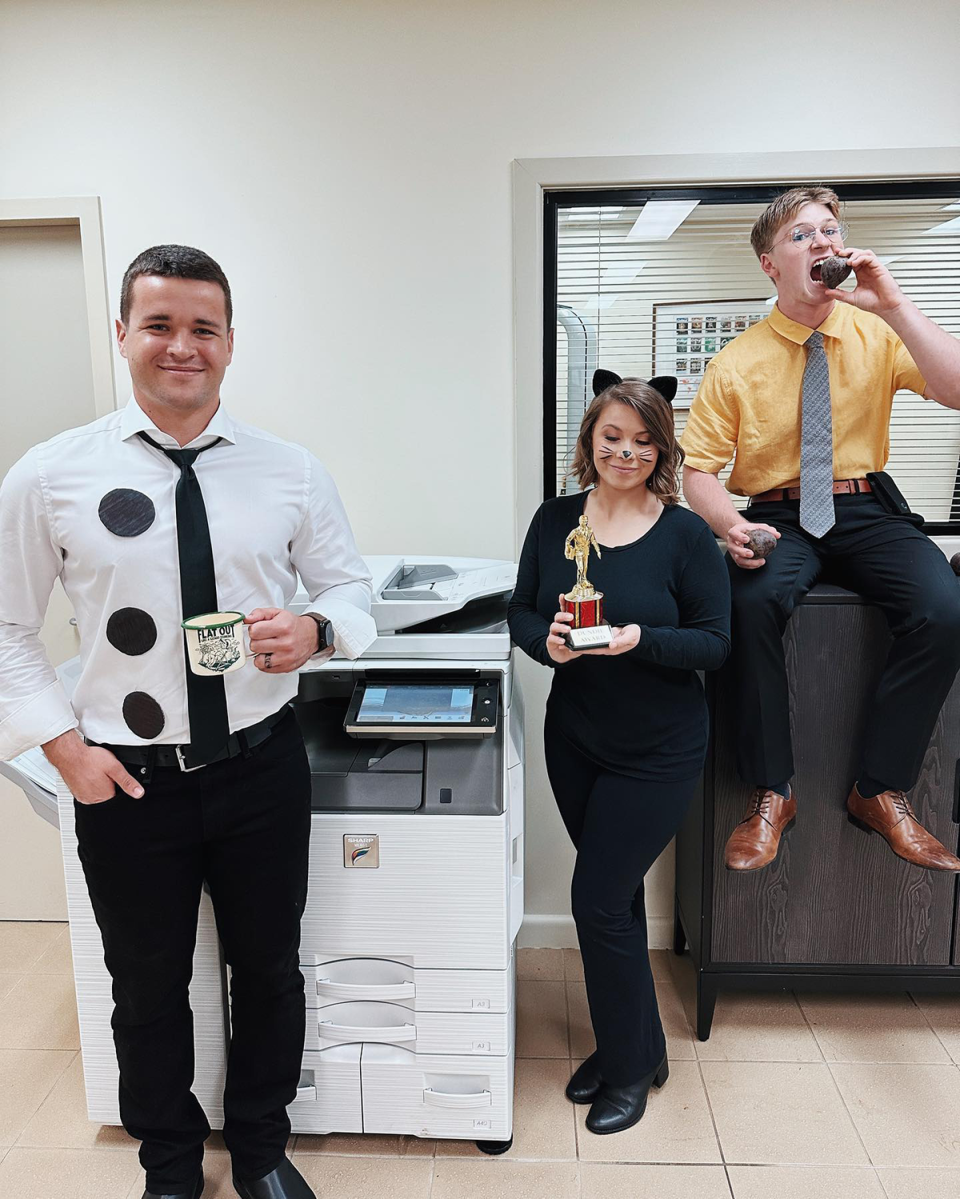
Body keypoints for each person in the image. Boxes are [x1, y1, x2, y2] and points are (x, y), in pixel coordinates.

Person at [0, 245, 376, 1199]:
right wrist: (62, 747)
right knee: (148, 988)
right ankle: (169, 1163)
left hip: (260, 765)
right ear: (123, 334)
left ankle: (258, 1150)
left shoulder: (288, 470)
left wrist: (318, 628)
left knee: (270, 973)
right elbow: (5, 625)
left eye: (203, 328)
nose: (182, 346)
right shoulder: (52, 475)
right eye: (160, 324)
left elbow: (351, 591)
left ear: (230, 343)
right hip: (125, 780)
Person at [681, 186, 960, 874]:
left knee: (945, 607)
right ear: (770, 265)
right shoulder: (735, 362)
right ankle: (773, 792)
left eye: (829, 230)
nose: (823, 244)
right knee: (746, 601)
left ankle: (880, 789)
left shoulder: (877, 329)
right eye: (801, 236)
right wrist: (731, 525)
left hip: (866, 507)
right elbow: (698, 473)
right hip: (779, 513)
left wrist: (891, 303)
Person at [508, 371, 730, 1134]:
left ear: (661, 448)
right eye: (612, 437)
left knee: (595, 900)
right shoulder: (556, 520)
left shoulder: (684, 534)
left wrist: (641, 641)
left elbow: (715, 640)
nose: (625, 451)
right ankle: (639, 1044)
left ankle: (629, 1067)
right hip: (576, 741)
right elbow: (522, 608)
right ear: (590, 439)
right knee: (621, 901)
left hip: (659, 749)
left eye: (643, 441)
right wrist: (550, 645)